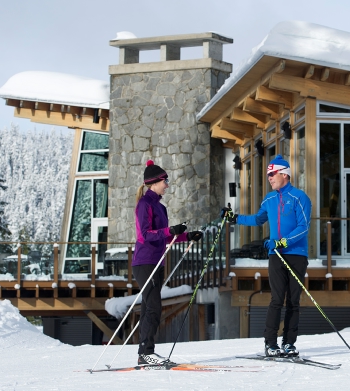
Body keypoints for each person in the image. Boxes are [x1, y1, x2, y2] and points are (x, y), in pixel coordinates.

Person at [222, 155, 311, 358]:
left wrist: (284, 242)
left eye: (272, 174)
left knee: (293, 301)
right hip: (276, 256)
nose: (269, 178)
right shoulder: (269, 199)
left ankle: (289, 343)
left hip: (296, 254)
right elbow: (257, 219)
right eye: (268, 175)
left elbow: (303, 227)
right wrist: (233, 218)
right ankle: (270, 343)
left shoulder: (300, 197)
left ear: (284, 174)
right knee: (276, 299)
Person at [133, 160, 203, 365]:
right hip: (145, 262)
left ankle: (144, 352)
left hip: (157, 262)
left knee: (149, 307)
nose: (167, 184)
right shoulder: (144, 204)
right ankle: (146, 351)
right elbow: (145, 234)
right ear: (154, 183)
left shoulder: (160, 208)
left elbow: (164, 237)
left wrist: (186, 236)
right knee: (153, 307)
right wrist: (170, 230)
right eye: (165, 181)